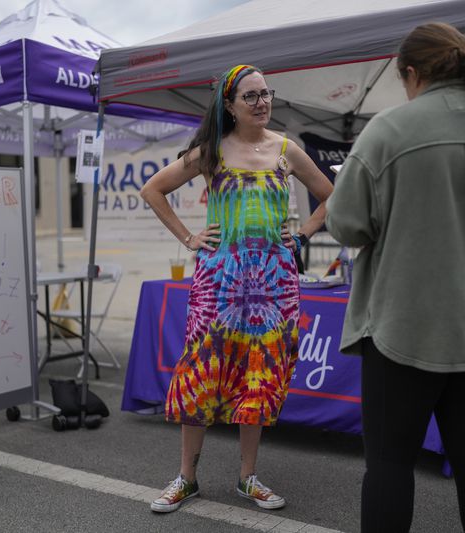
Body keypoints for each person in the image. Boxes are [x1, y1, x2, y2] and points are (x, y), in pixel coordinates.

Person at [325, 23, 465, 532]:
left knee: (390, 463)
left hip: (406, 325)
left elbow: (347, 223)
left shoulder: (389, 130)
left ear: (412, 73)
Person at [139, 64, 333, 513]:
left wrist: (302, 235)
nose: (262, 102)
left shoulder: (287, 149)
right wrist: (189, 237)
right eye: (251, 96)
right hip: (218, 285)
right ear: (229, 105)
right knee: (200, 372)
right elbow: (153, 190)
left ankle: (248, 477)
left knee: (259, 374)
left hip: (273, 284)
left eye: (266, 94)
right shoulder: (211, 152)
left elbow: (330, 194)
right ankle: (186, 478)